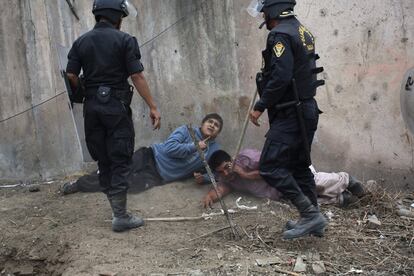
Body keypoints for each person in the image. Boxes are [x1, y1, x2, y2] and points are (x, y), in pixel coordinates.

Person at [66, 0, 161, 232]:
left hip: (92, 108)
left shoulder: (81, 41)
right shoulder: (125, 40)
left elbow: (70, 74)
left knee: (104, 158)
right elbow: (137, 76)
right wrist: (153, 106)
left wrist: (83, 91)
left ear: (98, 15)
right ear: (117, 16)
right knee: (120, 157)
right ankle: (120, 216)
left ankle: (116, 210)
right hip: (115, 108)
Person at [247, 0, 327, 239]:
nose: (263, 18)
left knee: (270, 166)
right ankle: (314, 219)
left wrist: (261, 106)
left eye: (264, 13)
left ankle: (310, 215)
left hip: (291, 112)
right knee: (299, 165)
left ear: (273, 11)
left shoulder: (279, 35)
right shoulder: (302, 30)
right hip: (306, 108)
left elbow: (281, 76)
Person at [61, 114, 223, 195]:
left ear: (218, 132)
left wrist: (205, 179)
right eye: (210, 122)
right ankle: (79, 184)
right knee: (117, 172)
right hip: (150, 156)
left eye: (216, 126)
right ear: (202, 124)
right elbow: (169, 148)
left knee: (124, 186)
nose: (212, 126)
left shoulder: (214, 150)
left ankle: (94, 179)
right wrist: (195, 146)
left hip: (159, 176)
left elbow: (220, 172)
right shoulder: (186, 130)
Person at [202, 149, 365, 211]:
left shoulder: (247, 158)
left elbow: (272, 169)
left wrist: (245, 174)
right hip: (280, 192)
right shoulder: (228, 178)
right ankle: (342, 198)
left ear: (232, 159)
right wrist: (211, 195)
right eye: (221, 171)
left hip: (291, 174)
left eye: (226, 166)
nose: (225, 172)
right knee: (309, 201)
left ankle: (346, 180)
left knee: (315, 184)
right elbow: (222, 188)